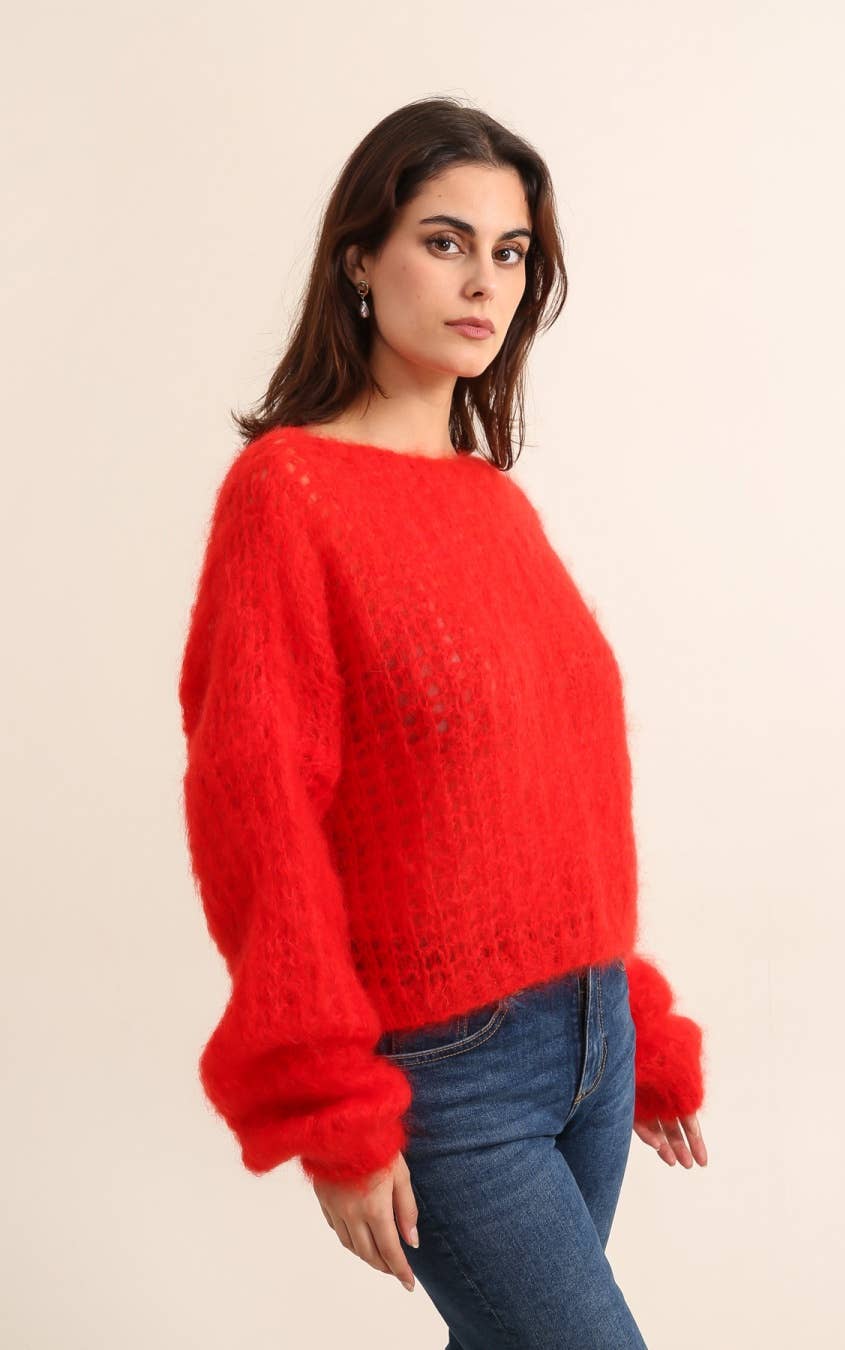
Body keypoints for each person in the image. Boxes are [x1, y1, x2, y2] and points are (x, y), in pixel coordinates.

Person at [178, 95, 709, 1349]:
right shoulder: (288, 494)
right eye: (444, 240)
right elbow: (259, 813)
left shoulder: (491, 502)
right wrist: (327, 1101)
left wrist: (635, 1014)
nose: (485, 282)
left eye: (510, 252)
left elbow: (549, 790)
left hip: (592, 1042)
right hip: (452, 1071)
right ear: (359, 260)